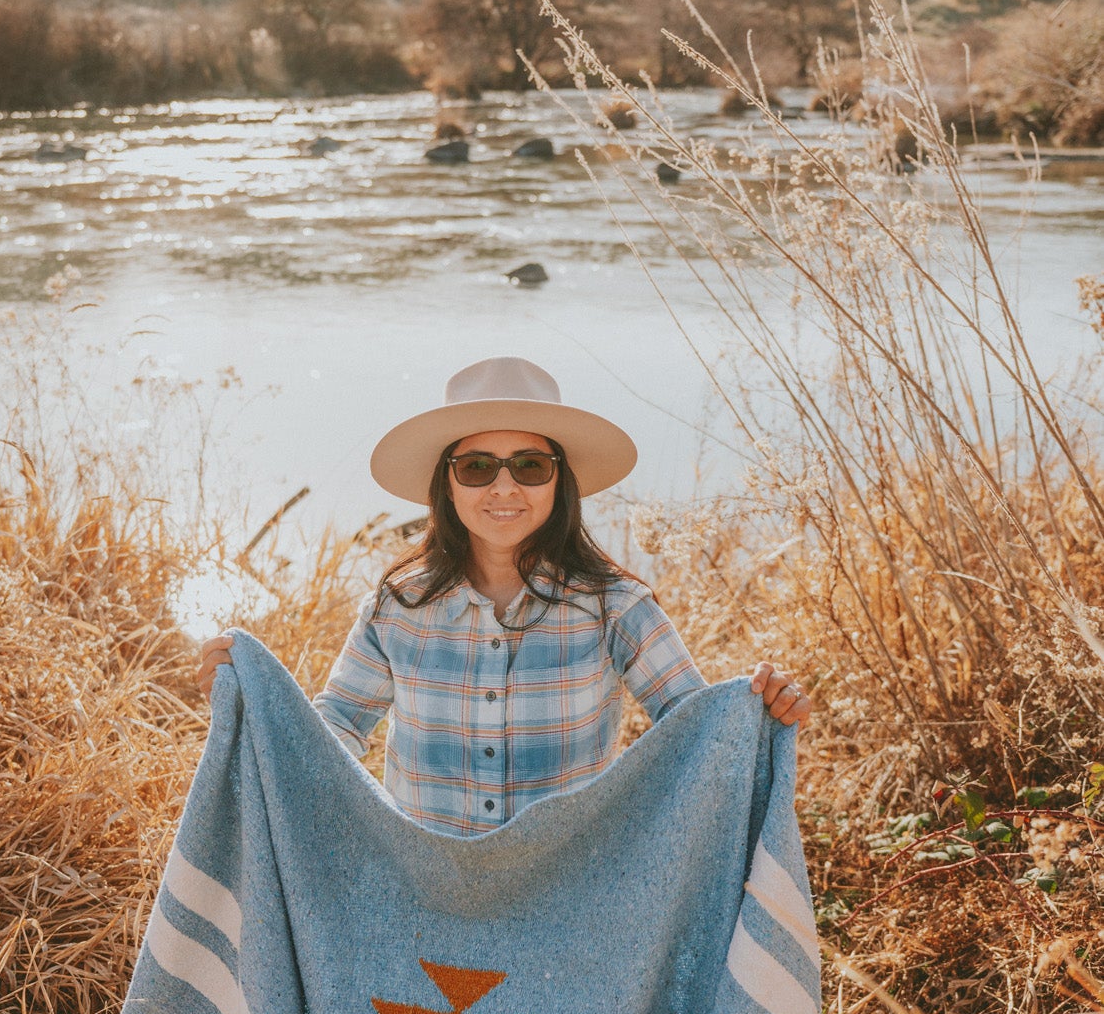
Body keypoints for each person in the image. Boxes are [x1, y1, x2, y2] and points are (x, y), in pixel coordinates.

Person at [197, 356, 810, 835]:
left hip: (568, 891)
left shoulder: (615, 606)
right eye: (478, 467)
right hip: (420, 886)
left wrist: (763, 715)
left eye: (529, 465)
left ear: (559, 481)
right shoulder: (398, 604)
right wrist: (252, 702)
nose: (504, 487)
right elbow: (337, 727)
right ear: (448, 483)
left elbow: (697, 732)